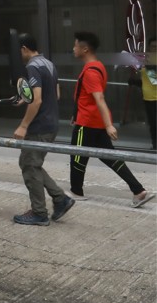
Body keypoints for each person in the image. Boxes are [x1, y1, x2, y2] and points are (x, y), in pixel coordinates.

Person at [69, 31, 154, 208]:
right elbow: (87, 97)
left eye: (76, 45)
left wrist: (109, 125)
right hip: (93, 120)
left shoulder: (91, 71)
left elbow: (99, 98)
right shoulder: (98, 66)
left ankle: (76, 192)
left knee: (77, 156)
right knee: (111, 157)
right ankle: (138, 190)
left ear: (85, 49)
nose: (73, 48)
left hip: (87, 122)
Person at [12, 34, 74, 226]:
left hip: (39, 127)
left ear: (24, 49)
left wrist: (23, 126)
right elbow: (54, 93)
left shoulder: (32, 66)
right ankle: (60, 199)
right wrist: (25, 98)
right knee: (31, 163)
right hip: (51, 124)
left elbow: (38, 99)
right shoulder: (48, 63)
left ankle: (39, 213)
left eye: (20, 51)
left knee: (30, 166)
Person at [142, 38, 157, 150]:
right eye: (152, 46)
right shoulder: (146, 60)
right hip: (148, 98)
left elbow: (154, 80)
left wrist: (146, 66)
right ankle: (155, 144)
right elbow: (145, 79)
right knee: (152, 123)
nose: (154, 48)